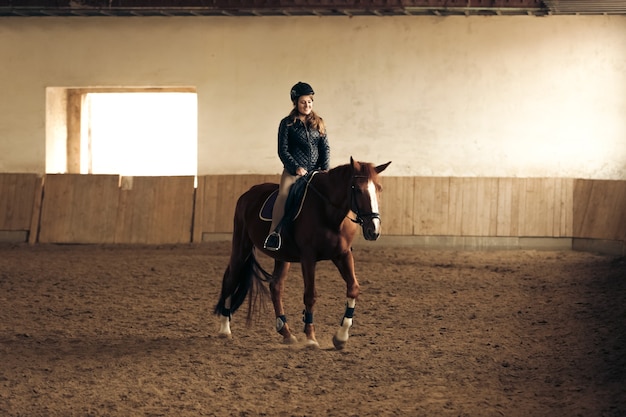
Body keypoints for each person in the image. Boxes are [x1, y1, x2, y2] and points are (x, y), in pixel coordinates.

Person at [263, 81, 331, 251]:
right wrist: (296, 168)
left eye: (309, 101)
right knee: (284, 194)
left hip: (316, 172)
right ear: (295, 103)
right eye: (303, 102)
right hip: (294, 172)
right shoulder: (287, 124)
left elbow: (325, 147)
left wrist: (325, 168)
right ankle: (274, 234)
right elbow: (283, 150)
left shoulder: (319, 122)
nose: (307, 105)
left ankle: (334, 235)